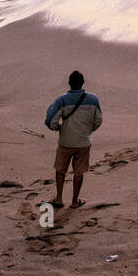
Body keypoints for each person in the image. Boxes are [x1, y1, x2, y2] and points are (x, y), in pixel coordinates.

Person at [44, 70, 102, 209]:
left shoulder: (62, 100)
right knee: (79, 172)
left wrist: (57, 128)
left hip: (66, 142)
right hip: (83, 142)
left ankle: (59, 198)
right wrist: (88, 130)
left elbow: (50, 121)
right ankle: (75, 201)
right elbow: (98, 120)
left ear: (69, 83)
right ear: (82, 83)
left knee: (60, 170)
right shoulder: (93, 99)